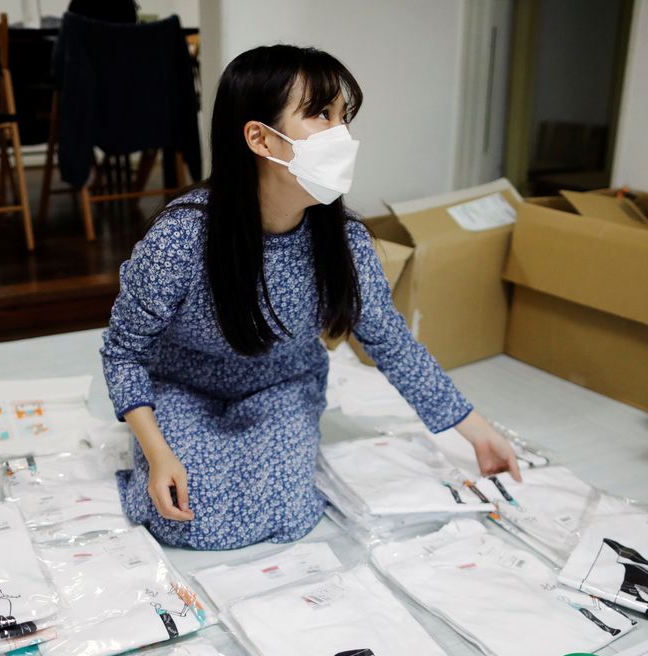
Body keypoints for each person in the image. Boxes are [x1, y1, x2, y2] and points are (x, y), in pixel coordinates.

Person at [100, 44, 521, 551]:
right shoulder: (180, 240)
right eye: (321, 115)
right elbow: (124, 352)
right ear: (260, 138)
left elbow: (390, 342)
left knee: (288, 514)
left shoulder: (343, 241)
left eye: (344, 117)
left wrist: (476, 430)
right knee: (189, 516)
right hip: (183, 387)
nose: (341, 135)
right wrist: (156, 450)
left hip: (281, 384)